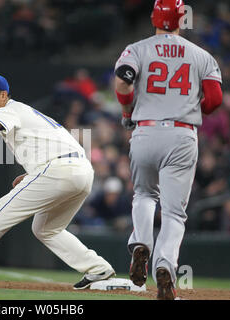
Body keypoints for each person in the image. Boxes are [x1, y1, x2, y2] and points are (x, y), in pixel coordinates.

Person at [0, 74, 115, 289]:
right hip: (81, 171)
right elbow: (58, 146)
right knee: (46, 229)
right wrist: (32, 174)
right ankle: (98, 269)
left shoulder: (9, 110)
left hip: (59, 170)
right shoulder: (26, 113)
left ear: (3, 95)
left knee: (4, 208)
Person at [114, 0, 223, 299]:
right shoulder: (202, 55)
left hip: (145, 130)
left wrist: (127, 112)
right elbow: (214, 101)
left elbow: (122, 84)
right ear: (181, 19)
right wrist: (185, 104)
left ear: (153, 18)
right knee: (175, 213)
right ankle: (165, 267)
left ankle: (141, 244)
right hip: (182, 134)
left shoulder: (137, 49)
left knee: (145, 194)